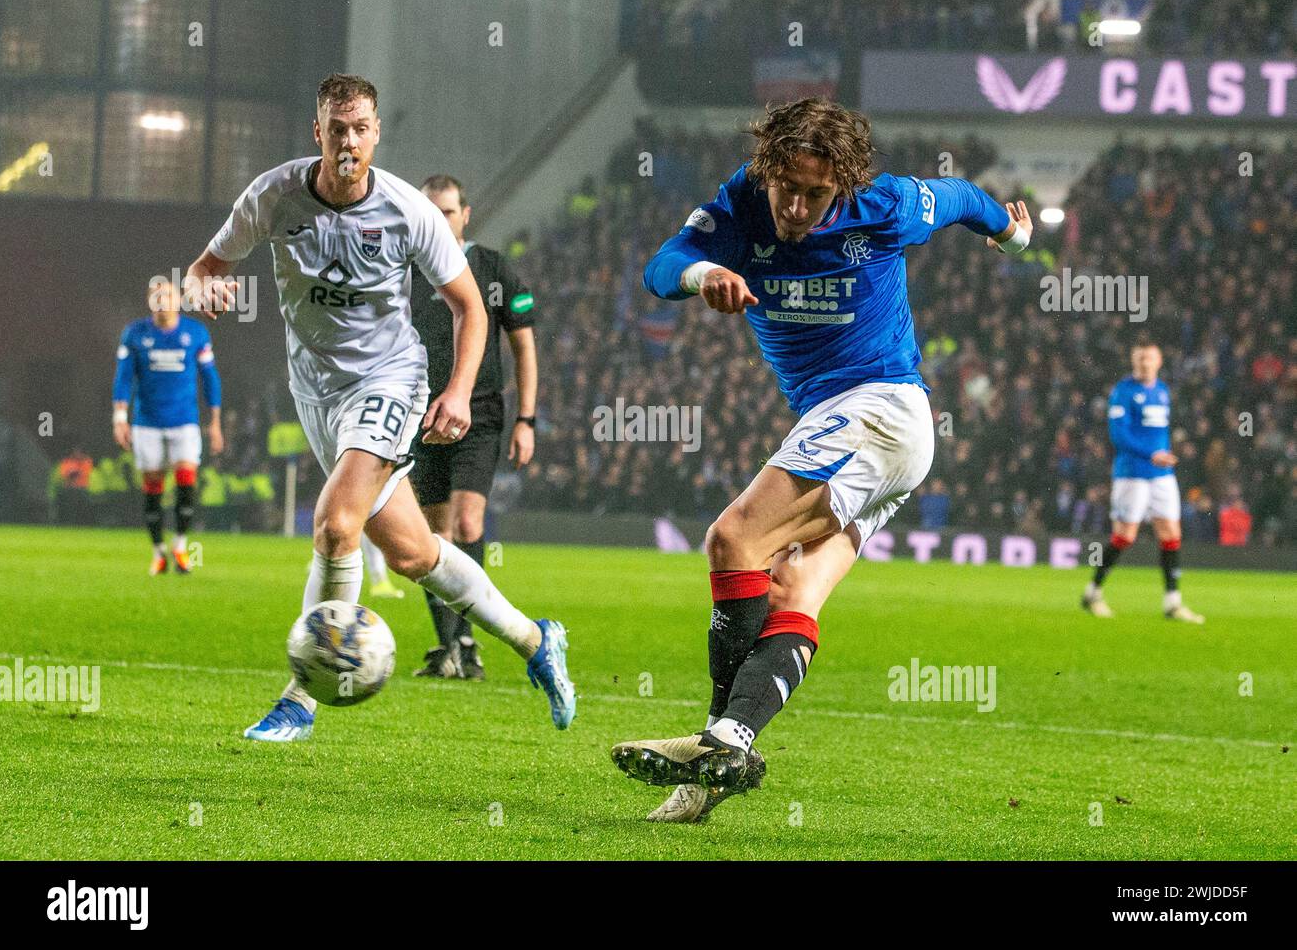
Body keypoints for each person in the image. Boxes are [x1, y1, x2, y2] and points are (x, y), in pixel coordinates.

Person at [611, 97, 1031, 821]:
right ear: (768, 169)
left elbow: (961, 197)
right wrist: (701, 275)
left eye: (816, 193)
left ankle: (713, 740)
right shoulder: (742, 202)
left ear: (843, 184)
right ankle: (726, 749)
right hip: (875, 435)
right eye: (789, 189)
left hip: (879, 409)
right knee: (792, 590)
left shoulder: (885, 204)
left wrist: (1012, 235)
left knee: (732, 540)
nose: (799, 207)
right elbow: (662, 265)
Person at [183, 73, 574, 741]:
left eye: (360, 128)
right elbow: (203, 269)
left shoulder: (407, 211)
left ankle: (300, 700)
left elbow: (470, 308)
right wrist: (199, 292)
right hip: (315, 393)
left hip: (389, 382)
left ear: (375, 133)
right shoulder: (274, 196)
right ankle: (536, 642)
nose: (348, 141)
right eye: (337, 129)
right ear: (318, 133)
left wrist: (456, 391)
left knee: (337, 525)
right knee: (413, 554)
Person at [408, 175, 538, 680]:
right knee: (430, 537)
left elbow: (524, 348)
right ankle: (448, 650)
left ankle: (468, 638)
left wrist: (526, 418)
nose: (437, 221)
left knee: (467, 526)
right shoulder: (404, 272)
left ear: (466, 214)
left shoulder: (493, 270)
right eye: (428, 212)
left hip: (479, 414)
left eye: (446, 212)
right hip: (418, 416)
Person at [1081, 343, 1205, 623]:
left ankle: (1173, 602)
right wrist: (1152, 454)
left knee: (1171, 533)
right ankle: (1093, 592)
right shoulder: (1123, 392)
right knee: (1125, 536)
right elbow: (1118, 436)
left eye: (1148, 358)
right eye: (1138, 359)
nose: (1143, 364)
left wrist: (1164, 454)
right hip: (1132, 473)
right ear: (1132, 361)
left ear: (1159, 361)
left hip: (1161, 476)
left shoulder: (1162, 391)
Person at [112, 280, 223, 574]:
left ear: (179, 300)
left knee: (187, 479)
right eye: (156, 296)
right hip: (147, 422)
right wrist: (120, 418)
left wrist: (215, 422)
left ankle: (181, 545)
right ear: (150, 302)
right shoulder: (135, 333)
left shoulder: (195, 333)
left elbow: (210, 378)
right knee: (153, 487)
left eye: (168, 295)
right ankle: (158, 551)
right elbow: (124, 378)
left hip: (185, 421)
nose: (163, 300)